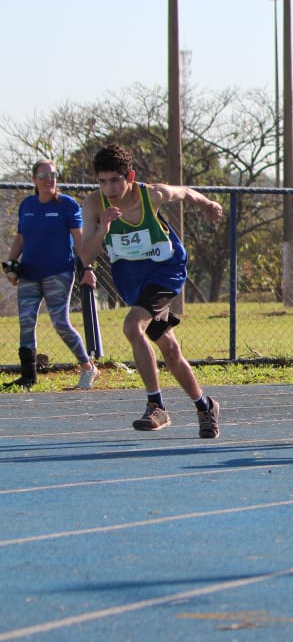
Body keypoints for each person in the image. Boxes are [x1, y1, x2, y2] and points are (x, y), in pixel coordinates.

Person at [79, 144, 224, 438]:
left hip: (165, 271)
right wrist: (102, 229)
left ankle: (156, 405)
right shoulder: (94, 204)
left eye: (115, 180)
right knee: (169, 349)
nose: (109, 188)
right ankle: (205, 405)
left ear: (129, 176)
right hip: (133, 279)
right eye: (103, 181)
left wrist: (208, 204)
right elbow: (84, 255)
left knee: (133, 325)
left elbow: (184, 192)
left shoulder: (151, 194)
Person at [5, 159, 99, 389]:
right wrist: (10, 264)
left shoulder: (67, 205)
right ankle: (28, 376)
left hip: (58, 273)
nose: (50, 179)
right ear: (34, 180)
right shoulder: (27, 205)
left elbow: (80, 241)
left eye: (53, 175)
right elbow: (20, 238)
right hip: (29, 273)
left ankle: (88, 368)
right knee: (26, 322)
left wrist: (87, 269)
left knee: (60, 322)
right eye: (44, 175)